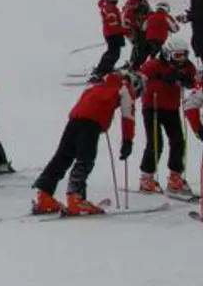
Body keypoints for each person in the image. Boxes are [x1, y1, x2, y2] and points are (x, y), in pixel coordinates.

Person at [30, 69, 138, 216]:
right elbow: (128, 117)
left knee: (63, 157)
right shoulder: (125, 88)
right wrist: (127, 141)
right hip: (91, 123)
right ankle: (76, 198)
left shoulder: (98, 86)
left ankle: (44, 195)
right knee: (85, 159)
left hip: (74, 119)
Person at [137, 38, 200, 196]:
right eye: (178, 55)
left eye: (184, 55)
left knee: (178, 141)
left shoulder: (187, 67)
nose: (182, 59)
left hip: (172, 108)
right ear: (168, 53)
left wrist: (188, 81)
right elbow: (140, 79)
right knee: (156, 142)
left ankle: (175, 176)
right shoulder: (154, 65)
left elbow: (193, 81)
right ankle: (146, 177)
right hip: (153, 107)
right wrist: (159, 81)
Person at [95, 0, 125, 77]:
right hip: (113, 33)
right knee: (113, 53)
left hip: (111, 33)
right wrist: (122, 30)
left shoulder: (108, 6)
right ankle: (103, 71)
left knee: (112, 52)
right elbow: (113, 22)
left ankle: (104, 68)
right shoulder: (109, 7)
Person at [123, 0, 154, 69]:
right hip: (134, 29)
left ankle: (137, 63)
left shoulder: (144, 2)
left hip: (144, 28)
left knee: (146, 47)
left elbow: (150, 13)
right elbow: (127, 16)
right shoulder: (131, 3)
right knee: (139, 46)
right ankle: (133, 64)